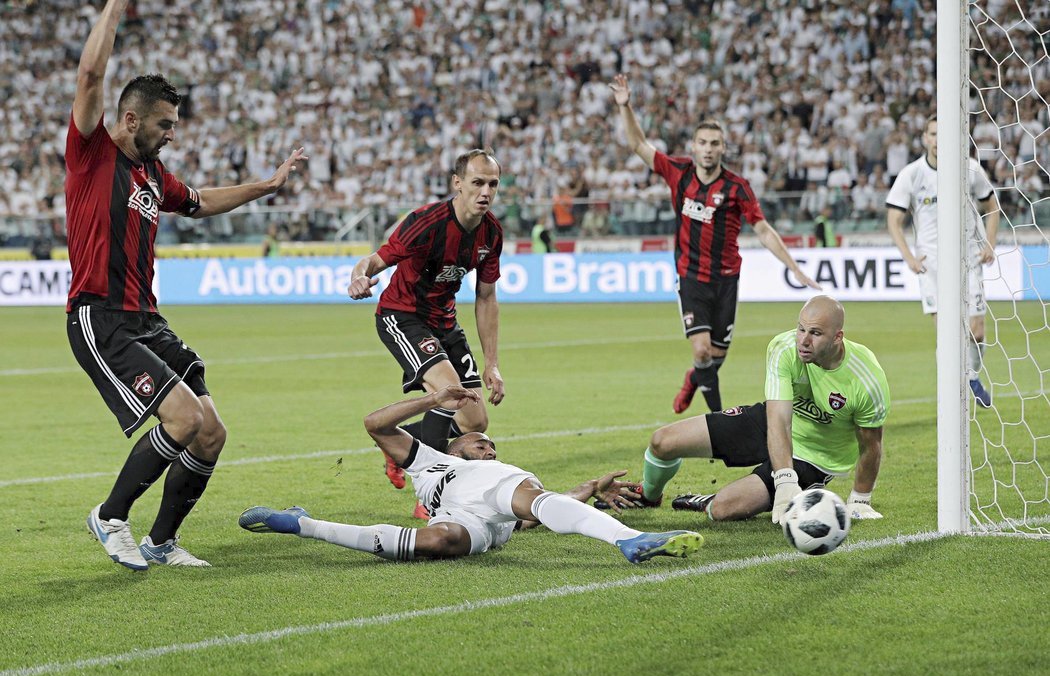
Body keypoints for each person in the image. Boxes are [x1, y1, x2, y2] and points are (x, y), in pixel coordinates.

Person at [69, 0, 306, 570]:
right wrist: (114, 10)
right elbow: (90, 75)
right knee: (183, 419)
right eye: (164, 124)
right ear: (131, 120)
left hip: (147, 319)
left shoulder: (153, 175)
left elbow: (199, 204)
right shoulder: (91, 153)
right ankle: (110, 515)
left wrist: (263, 187)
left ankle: (161, 541)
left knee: (210, 432)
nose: (172, 134)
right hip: (100, 316)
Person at [239, 385, 704, 564]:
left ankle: (627, 538)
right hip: (468, 521)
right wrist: (430, 401)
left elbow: (534, 510)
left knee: (526, 495)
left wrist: (588, 488)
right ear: (454, 445)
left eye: (491, 445)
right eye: (480, 442)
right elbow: (375, 424)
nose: (488, 446)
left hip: (496, 513)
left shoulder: (497, 471)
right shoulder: (431, 461)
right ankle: (301, 523)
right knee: (436, 543)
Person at [608, 74, 821, 417]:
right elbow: (638, 145)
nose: (708, 149)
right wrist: (626, 106)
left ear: (723, 148)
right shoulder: (678, 171)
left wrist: (793, 267)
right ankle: (718, 418)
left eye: (714, 143)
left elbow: (763, 229)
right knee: (703, 349)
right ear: (693, 146)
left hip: (726, 280)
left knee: (713, 358)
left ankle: (694, 379)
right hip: (691, 277)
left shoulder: (737, 187)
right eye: (703, 142)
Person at [615, 296, 889, 523]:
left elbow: (871, 445)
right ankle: (648, 496)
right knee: (662, 442)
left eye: (815, 333)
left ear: (838, 337)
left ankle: (707, 500)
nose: (803, 340)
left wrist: (859, 500)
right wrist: (785, 481)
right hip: (773, 421)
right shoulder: (784, 349)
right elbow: (779, 420)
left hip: (817, 457)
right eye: (801, 329)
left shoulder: (866, 380)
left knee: (722, 509)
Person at [347, 149, 506, 519]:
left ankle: (395, 445)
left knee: (475, 421)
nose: (485, 191)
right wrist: (359, 276)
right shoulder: (426, 222)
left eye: (493, 184)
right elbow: (376, 258)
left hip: (445, 321)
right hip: (402, 316)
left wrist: (493, 364)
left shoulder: (491, 233)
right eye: (477, 182)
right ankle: (429, 497)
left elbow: (486, 296)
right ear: (458, 183)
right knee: (448, 396)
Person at [886, 115, 1000, 408]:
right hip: (932, 263)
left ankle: (971, 376)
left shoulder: (969, 168)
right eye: (933, 134)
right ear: (925, 137)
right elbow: (894, 220)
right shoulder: (912, 174)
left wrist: (989, 243)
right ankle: (951, 392)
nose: (938, 140)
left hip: (967, 258)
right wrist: (909, 257)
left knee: (976, 331)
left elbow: (992, 206)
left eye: (942, 134)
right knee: (947, 333)